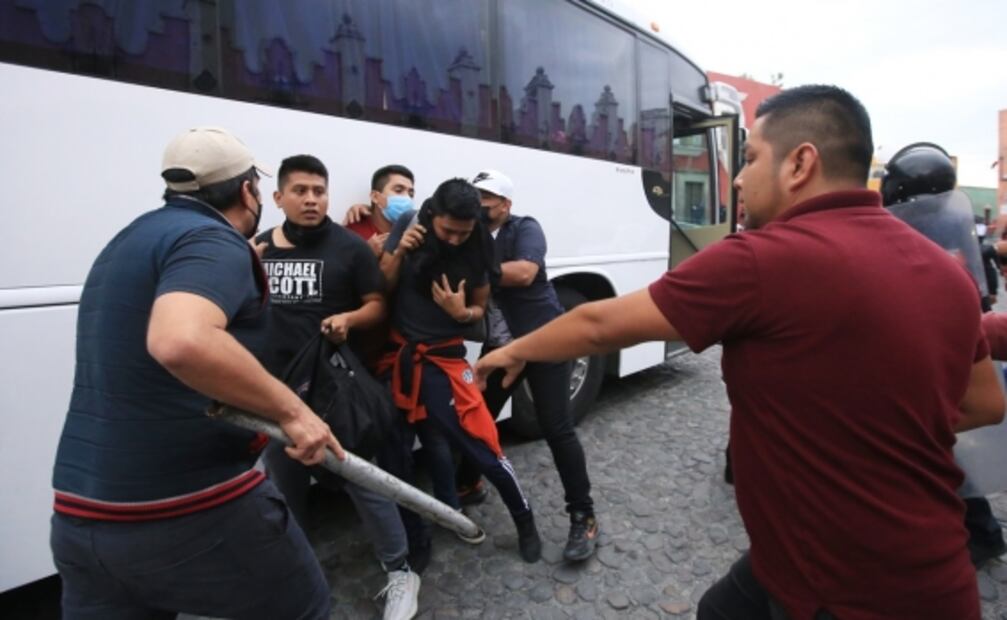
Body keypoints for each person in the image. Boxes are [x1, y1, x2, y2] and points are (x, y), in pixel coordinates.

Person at [475, 86, 1006, 619]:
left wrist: (511, 352)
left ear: (800, 163)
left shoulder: (762, 259)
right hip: (936, 575)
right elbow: (985, 404)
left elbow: (596, 325)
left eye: (750, 158)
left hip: (838, 588)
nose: (737, 178)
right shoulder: (947, 274)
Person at [50, 127, 343, 619]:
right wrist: (292, 411)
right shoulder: (212, 240)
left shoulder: (130, 237)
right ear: (249, 191)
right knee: (303, 609)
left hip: (80, 516)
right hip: (186, 507)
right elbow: (180, 339)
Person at [256, 154, 420, 619]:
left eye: (319, 191)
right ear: (279, 197)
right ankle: (298, 570)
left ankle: (401, 571)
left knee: (362, 481)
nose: (311, 199)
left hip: (332, 389)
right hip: (273, 391)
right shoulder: (260, 247)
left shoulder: (347, 246)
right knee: (285, 487)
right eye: (301, 191)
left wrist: (349, 318)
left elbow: (377, 306)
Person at [378, 178, 542, 563]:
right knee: (394, 458)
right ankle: (414, 542)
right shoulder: (410, 226)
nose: (454, 239)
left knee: (483, 447)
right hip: (399, 356)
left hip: (445, 361)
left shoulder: (479, 244)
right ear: (433, 215)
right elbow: (381, 286)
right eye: (448, 231)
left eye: (463, 232)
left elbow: (480, 314)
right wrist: (399, 251)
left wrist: (460, 312)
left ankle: (525, 520)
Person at [454, 169, 599, 562]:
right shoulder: (470, 231)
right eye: (476, 197)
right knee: (478, 419)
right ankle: (467, 484)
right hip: (501, 347)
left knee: (557, 428)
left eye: (487, 198)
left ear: (505, 205)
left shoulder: (524, 228)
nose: (480, 205)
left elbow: (525, 272)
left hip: (543, 341)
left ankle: (583, 515)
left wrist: (476, 272)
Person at [882, 141, 1007, 568]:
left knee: (938, 435)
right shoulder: (951, 223)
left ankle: (978, 529)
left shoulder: (924, 229)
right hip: (956, 343)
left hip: (945, 346)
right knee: (944, 437)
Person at [344, 164, 417, 257]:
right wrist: (365, 254)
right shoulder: (353, 231)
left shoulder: (413, 232)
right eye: (398, 190)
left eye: (411, 194)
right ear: (375, 197)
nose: (407, 198)